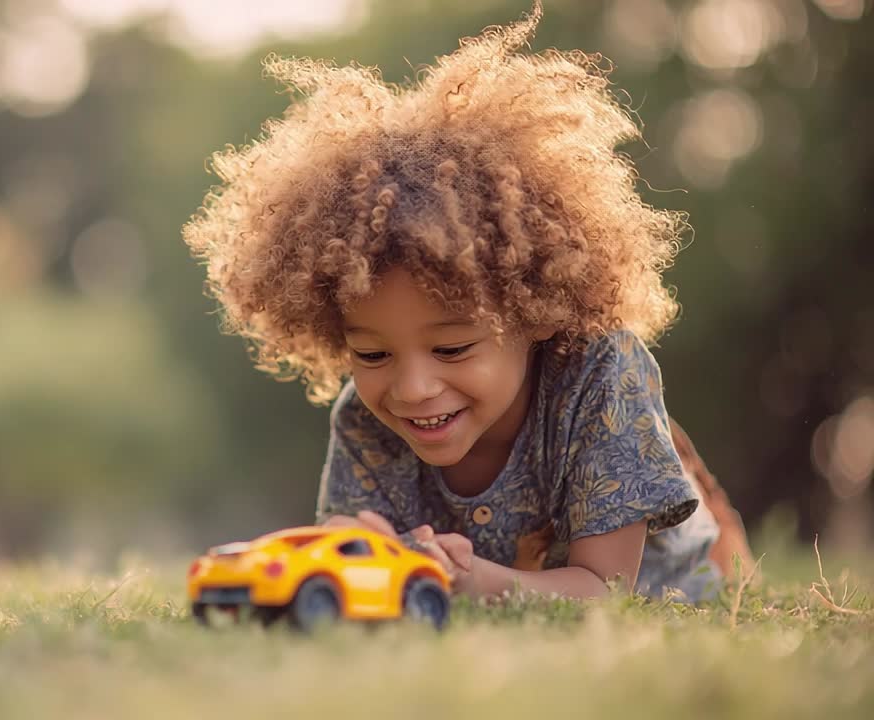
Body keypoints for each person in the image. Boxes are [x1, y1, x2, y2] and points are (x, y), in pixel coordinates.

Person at [182, 1, 750, 601]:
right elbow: (358, 553)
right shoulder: (364, 422)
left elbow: (606, 594)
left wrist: (472, 581)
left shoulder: (600, 379)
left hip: (676, 592)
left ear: (534, 317)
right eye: (372, 356)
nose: (413, 388)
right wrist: (362, 546)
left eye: (452, 347)